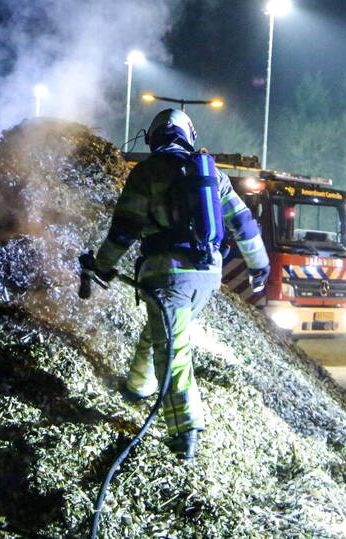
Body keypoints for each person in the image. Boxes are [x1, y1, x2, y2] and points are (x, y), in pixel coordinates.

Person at [88, 109, 270, 459]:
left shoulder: (147, 173)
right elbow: (243, 223)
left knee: (172, 351)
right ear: (189, 136)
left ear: (153, 138)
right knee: (165, 331)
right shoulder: (211, 172)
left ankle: (186, 430)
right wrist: (259, 265)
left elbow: (124, 229)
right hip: (207, 276)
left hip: (166, 273)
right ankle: (138, 387)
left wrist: (103, 265)